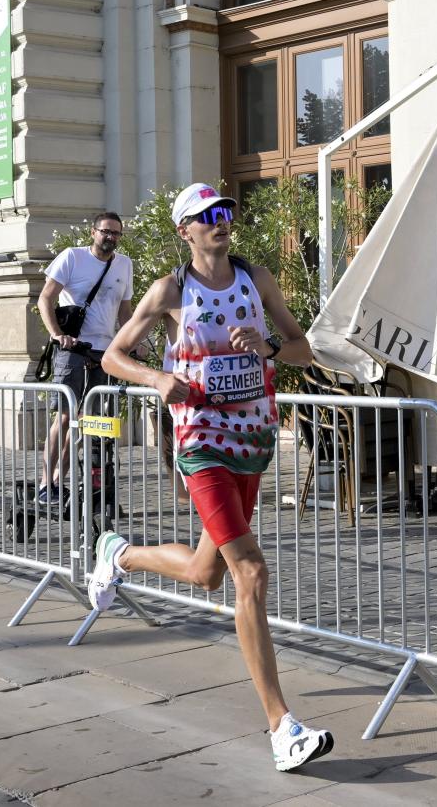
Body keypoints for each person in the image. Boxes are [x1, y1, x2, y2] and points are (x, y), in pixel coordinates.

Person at [91, 183, 334, 773]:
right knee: (249, 572)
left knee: (207, 575)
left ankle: (120, 554)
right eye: (206, 217)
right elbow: (112, 356)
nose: (220, 223)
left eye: (224, 212)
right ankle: (282, 726)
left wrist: (271, 346)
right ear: (186, 231)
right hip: (201, 445)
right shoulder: (171, 290)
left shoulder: (257, 278)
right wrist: (155, 379)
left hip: (252, 440)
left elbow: (306, 349)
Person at [37, 212, 133, 505]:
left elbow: (125, 311)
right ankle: (45, 484)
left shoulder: (124, 264)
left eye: (116, 233)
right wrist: (57, 334)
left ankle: (63, 482)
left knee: (91, 420)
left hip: (105, 352)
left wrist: (133, 342)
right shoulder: (72, 257)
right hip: (74, 348)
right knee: (65, 416)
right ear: (93, 232)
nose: (111, 238)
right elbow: (46, 298)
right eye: (106, 232)